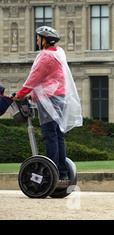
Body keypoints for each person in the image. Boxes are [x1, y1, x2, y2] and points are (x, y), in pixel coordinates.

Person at [12, 26, 82, 182]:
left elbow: (34, 78)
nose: (36, 42)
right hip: (60, 97)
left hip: (49, 100)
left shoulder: (45, 56)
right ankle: (62, 173)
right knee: (58, 135)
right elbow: (50, 78)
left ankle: (53, 174)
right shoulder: (58, 54)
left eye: (38, 39)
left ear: (44, 40)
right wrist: (31, 95)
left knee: (49, 135)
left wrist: (20, 94)